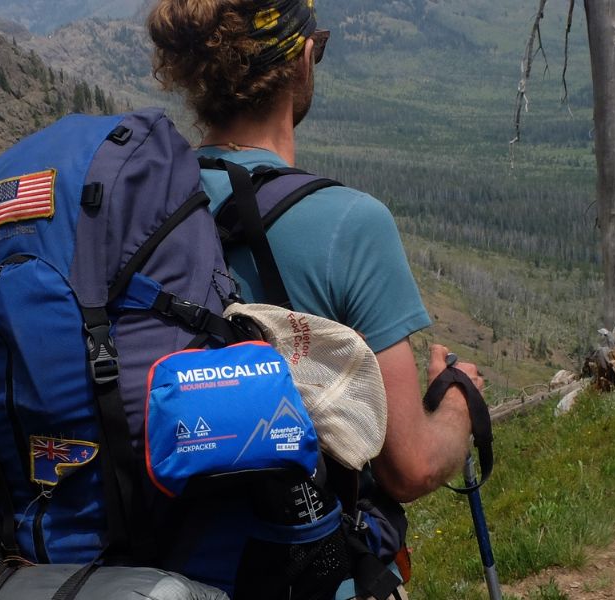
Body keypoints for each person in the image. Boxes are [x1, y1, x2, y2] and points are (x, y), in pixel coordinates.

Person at [147, 0, 483, 589]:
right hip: (301, 571)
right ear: (303, 60)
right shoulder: (348, 223)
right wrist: (459, 401)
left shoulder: (145, 209)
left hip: (162, 566)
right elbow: (411, 467)